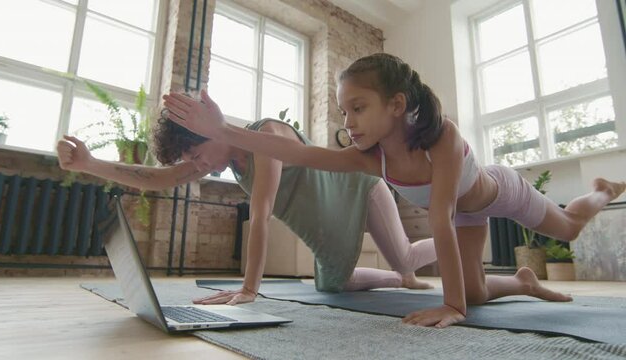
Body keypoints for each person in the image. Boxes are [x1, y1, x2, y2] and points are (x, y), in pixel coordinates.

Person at [162, 52, 626, 328]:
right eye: (344, 112)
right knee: (479, 294)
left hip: (503, 192)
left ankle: (601, 192)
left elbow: (440, 217)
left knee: (567, 228)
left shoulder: (442, 135)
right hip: (469, 215)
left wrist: (450, 305)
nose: (349, 122)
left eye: (358, 108)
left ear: (397, 104)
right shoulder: (372, 158)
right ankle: (524, 282)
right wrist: (224, 129)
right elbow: (302, 155)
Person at [56, 115, 438, 305]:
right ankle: (401, 280)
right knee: (333, 284)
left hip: (360, 188)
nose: (198, 165)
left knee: (404, 256)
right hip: (328, 219)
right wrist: (90, 164)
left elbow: (262, 212)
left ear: (214, 131)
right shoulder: (216, 158)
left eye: (197, 153)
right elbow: (157, 179)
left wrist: (249, 289)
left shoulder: (267, 135)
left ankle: (454, 232)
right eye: (189, 160)